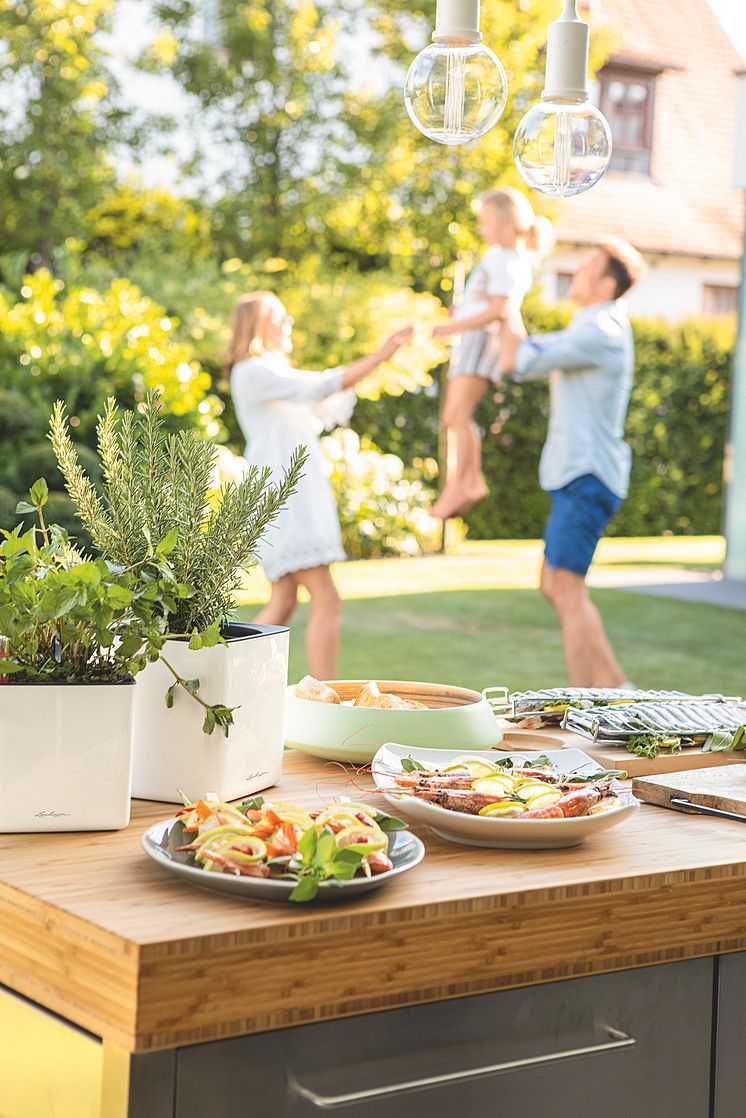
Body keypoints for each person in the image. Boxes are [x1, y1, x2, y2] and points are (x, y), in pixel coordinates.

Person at [227, 291, 411, 680]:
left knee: (284, 598)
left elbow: (326, 399)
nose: (288, 320)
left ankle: (228, 678)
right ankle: (323, 696)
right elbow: (323, 385)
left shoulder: (271, 375)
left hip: (288, 495)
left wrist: (374, 364)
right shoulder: (253, 371)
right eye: (279, 314)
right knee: (327, 598)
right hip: (286, 499)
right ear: (257, 324)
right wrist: (380, 356)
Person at [499, 236, 646, 688]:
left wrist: (504, 300)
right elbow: (527, 355)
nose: (575, 273)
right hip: (576, 476)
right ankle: (618, 690)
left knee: (565, 588)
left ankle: (587, 702)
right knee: (556, 586)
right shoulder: (587, 326)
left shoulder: (599, 331)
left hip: (588, 476)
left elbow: (518, 358)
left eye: (586, 268)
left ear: (605, 284)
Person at [430, 186, 553, 520]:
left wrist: (450, 328)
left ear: (504, 222)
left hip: (480, 341)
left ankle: (464, 484)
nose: (481, 229)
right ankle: (467, 481)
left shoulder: (510, 259)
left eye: (484, 222)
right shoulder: (498, 256)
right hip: (473, 338)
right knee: (454, 416)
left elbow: (501, 309)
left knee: (457, 415)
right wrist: (464, 310)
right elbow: (487, 301)